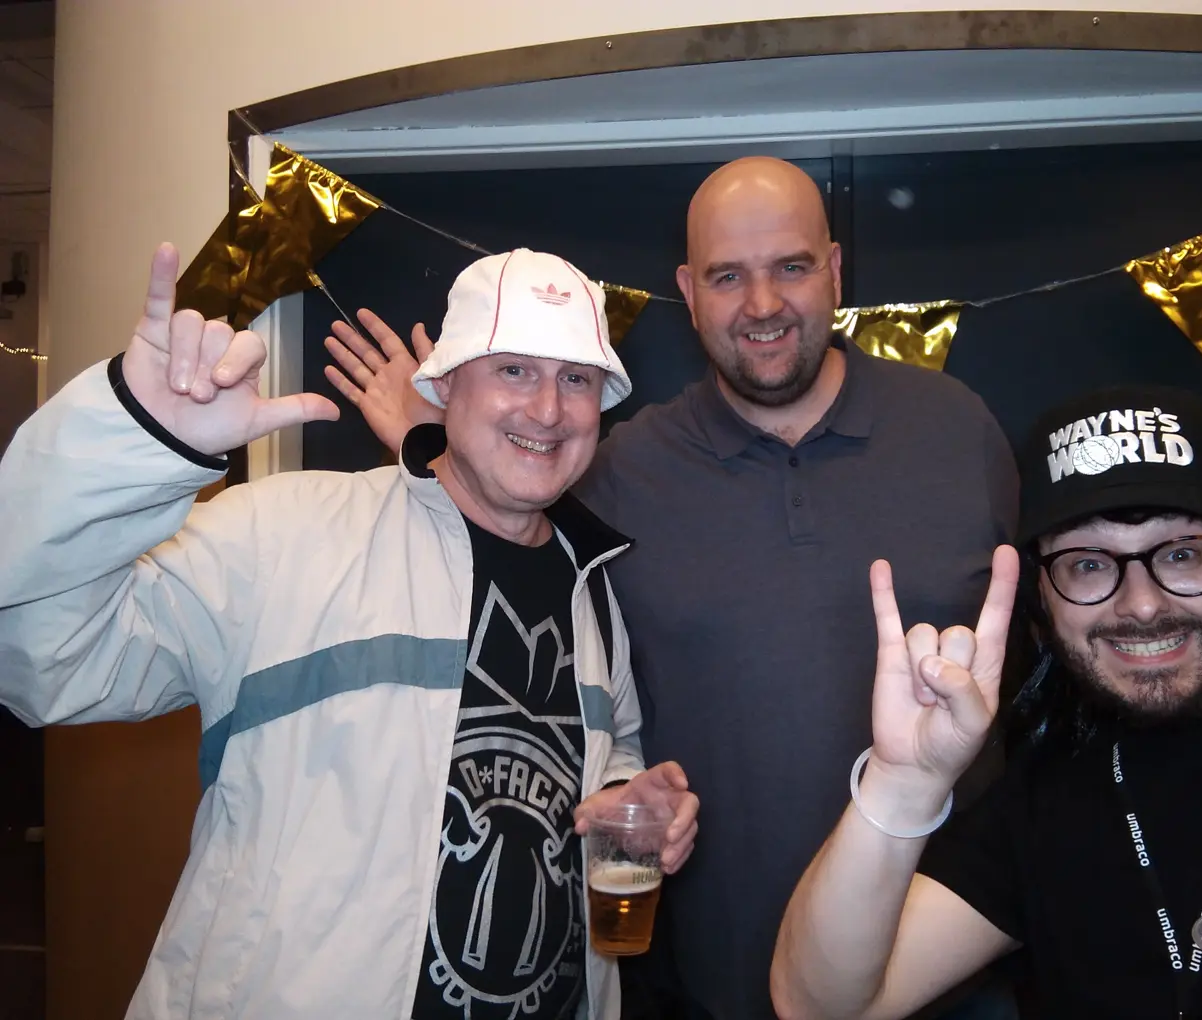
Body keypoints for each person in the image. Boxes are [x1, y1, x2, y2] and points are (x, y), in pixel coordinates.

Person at [325, 156, 1017, 1019]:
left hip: (944, 981)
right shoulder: (618, 475)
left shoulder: (959, 431)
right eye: (728, 276)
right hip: (704, 985)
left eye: (791, 267)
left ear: (836, 271)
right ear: (688, 292)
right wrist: (443, 445)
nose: (761, 305)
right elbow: (498, 544)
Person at [0, 244, 701, 1020]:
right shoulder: (284, 535)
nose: (547, 409)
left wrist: (621, 797)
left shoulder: (591, 591)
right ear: (443, 385)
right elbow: (39, 660)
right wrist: (135, 445)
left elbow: (605, 752)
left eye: (576, 378)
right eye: (513, 370)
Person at [770, 383, 1202, 1020]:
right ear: (1042, 600)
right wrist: (900, 782)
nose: (1140, 604)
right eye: (1087, 565)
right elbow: (820, 1008)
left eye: (1182, 554)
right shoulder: (1048, 774)